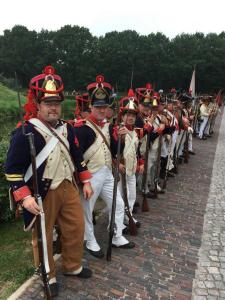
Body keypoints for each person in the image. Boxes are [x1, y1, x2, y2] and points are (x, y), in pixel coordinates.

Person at [5, 66, 93, 297]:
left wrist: (85, 180)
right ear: (38, 105)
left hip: (68, 186)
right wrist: (23, 197)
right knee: (42, 235)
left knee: (76, 227)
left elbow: (77, 157)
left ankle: (72, 265)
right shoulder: (25, 132)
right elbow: (12, 170)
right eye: (47, 103)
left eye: (56, 102)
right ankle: (47, 273)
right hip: (43, 191)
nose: (53, 107)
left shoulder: (68, 129)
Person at [74, 75, 135, 259]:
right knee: (87, 210)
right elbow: (76, 156)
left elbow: (118, 150)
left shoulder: (109, 127)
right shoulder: (81, 128)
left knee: (118, 204)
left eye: (104, 107)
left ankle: (116, 235)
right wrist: (84, 178)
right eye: (98, 106)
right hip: (90, 175)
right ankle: (90, 240)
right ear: (91, 106)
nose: (102, 110)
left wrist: (122, 138)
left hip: (107, 172)